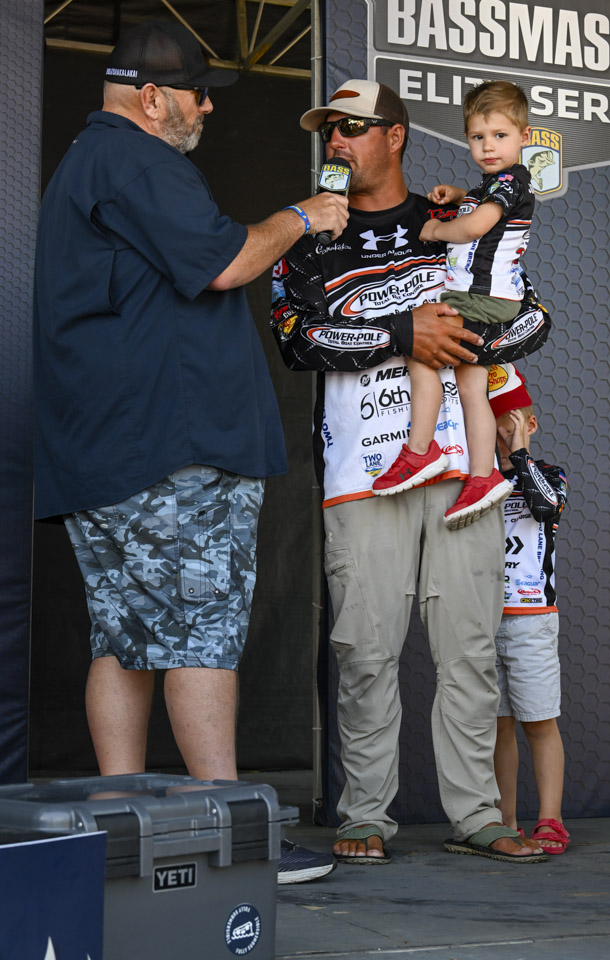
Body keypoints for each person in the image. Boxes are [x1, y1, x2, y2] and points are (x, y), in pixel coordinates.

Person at [33, 19, 350, 884]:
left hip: (105, 451)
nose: (208, 107)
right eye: (198, 93)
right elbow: (226, 263)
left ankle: (115, 830)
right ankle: (236, 839)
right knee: (199, 635)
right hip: (169, 452)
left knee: (122, 638)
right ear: (152, 98)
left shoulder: (85, 163)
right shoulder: (138, 160)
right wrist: (302, 216)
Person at [271, 78, 551, 863]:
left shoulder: (453, 220)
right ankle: (364, 814)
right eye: (329, 130)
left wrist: (471, 339)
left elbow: (531, 316)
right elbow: (295, 338)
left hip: (462, 471)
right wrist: (403, 333)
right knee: (364, 652)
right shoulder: (307, 235)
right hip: (362, 473)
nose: (336, 141)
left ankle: (479, 816)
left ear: (394, 135)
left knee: (469, 650)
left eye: (352, 128)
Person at [372, 82, 535, 533]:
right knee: (471, 386)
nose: (488, 146)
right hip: (489, 300)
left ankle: (421, 450)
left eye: (500, 136)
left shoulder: (509, 181)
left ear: (524, 136)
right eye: (478, 137)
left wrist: (437, 230)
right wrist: (462, 195)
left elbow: (477, 226)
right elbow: (488, 209)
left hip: (480, 300)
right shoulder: (498, 185)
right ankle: (483, 476)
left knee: (421, 350)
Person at [489, 364, 570, 854]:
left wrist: (519, 455)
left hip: (532, 617)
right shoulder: (477, 481)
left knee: (538, 720)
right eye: (494, 424)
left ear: (531, 424)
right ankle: (505, 821)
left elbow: (546, 508)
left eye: (511, 423)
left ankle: (550, 820)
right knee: (498, 725)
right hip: (484, 619)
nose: (501, 433)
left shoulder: (550, 476)